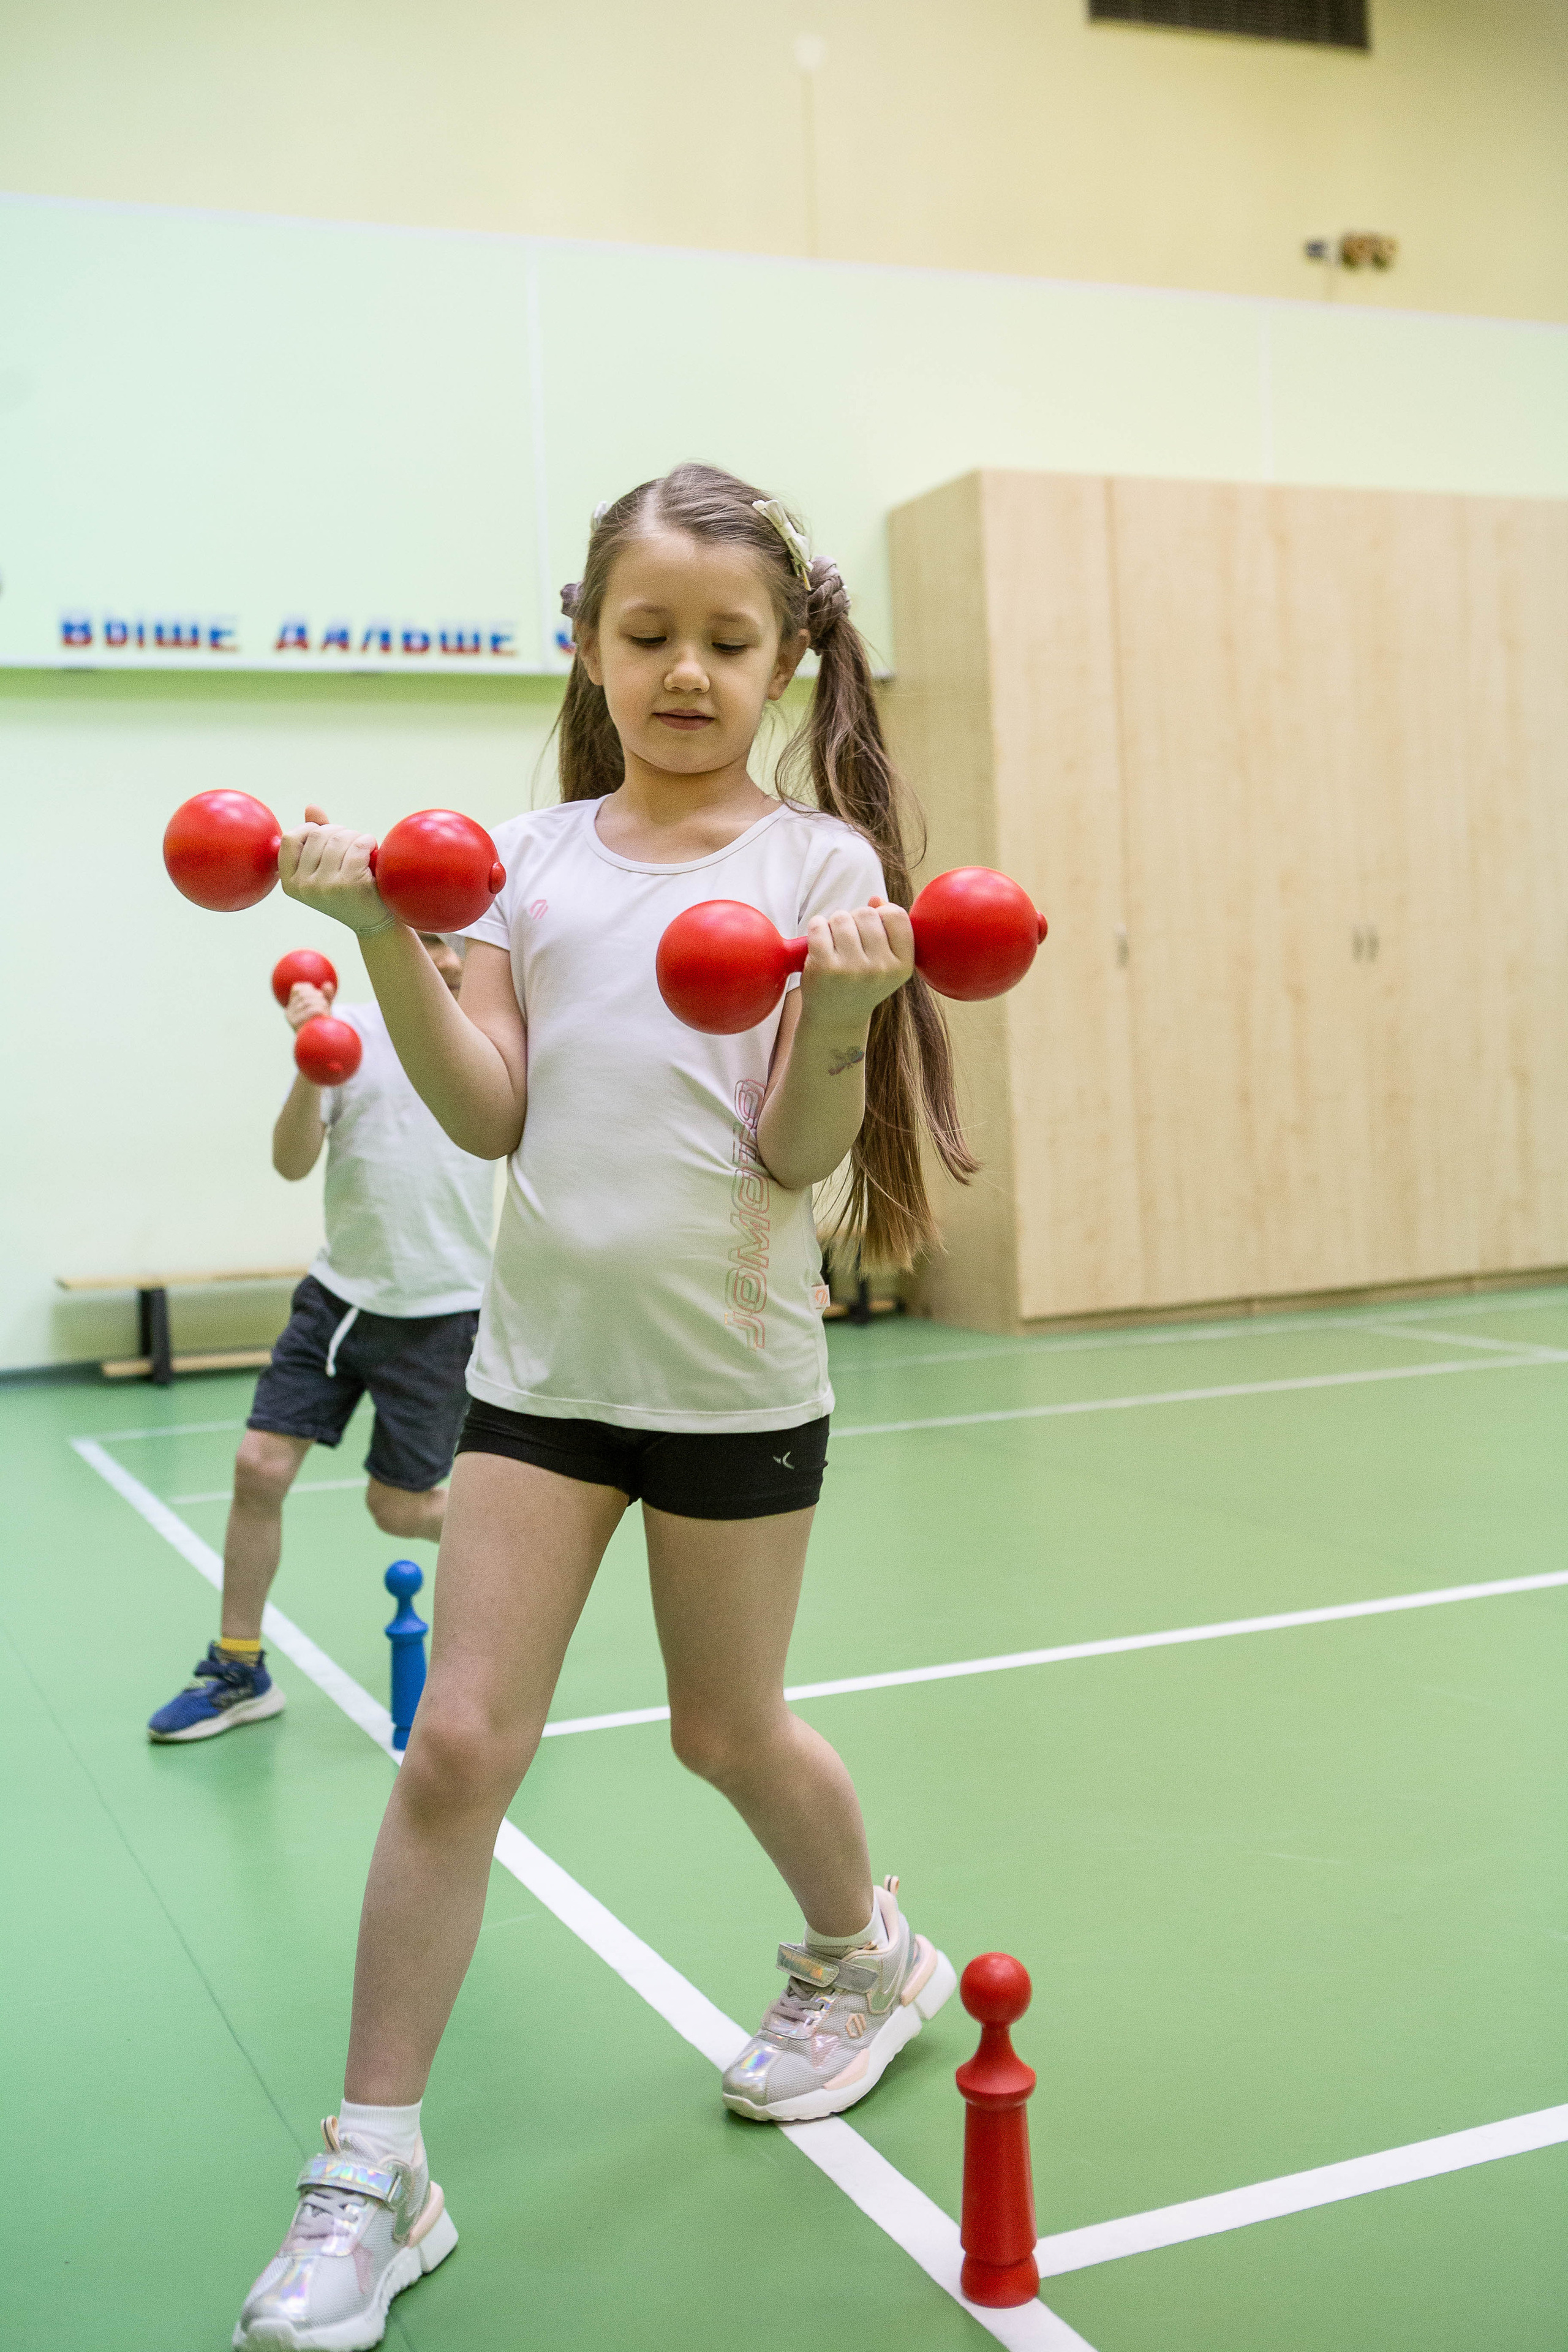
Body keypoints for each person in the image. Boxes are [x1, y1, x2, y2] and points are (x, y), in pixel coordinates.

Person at [232, 464, 979, 2347]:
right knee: (458, 1748)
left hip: (734, 1381)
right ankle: (373, 2167)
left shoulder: (819, 869)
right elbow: (489, 1108)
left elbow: (795, 1152)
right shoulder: (522, 864)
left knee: (727, 1733)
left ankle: (869, 1957)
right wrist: (387, 932)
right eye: (647, 635)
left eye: (728, 642)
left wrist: (841, 1012)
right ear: (586, 642)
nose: (685, 673)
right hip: (542, 1385)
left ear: (787, 660)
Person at [148, 924, 496, 1744]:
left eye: (457, 941)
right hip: (338, 1302)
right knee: (258, 1467)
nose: (445, 957)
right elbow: (291, 1162)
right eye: (426, 939)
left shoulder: (493, 1048)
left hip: (442, 1314)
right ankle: (240, 1669)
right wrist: (312, 1057)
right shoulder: (351, 1035)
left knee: (400, 1509)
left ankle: (517, 1549)